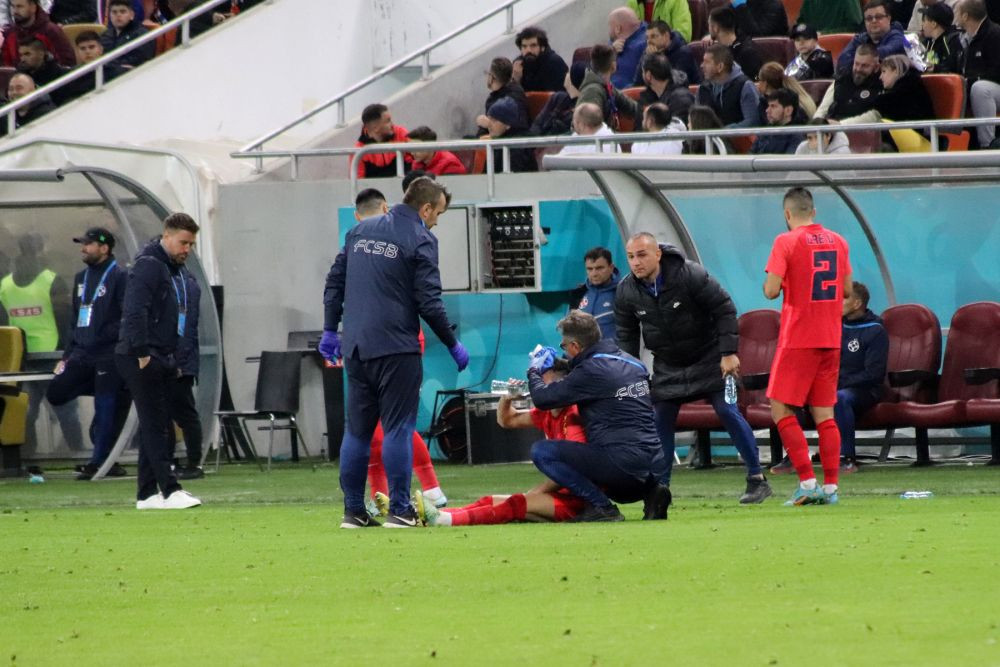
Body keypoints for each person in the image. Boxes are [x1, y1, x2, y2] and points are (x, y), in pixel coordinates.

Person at [322, 177, 468, 529]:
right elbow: (429, 303)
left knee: (357, 433)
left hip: (356, 347)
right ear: (426, 208)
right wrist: (451, 343)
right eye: (438, 214)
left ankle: (353, 512)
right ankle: (401, 510)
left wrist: (330, 328)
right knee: (399, 428)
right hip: (397, 348)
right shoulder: (421, 238)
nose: (436, 222)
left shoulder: (359, 232)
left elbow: (334, 282)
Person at [615, 233, 772, 505]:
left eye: (642, 255)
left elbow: (724, 309)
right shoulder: (626, 290)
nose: (636, 262)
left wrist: (728, 353)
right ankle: (660, 489)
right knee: (659, 418)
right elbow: (626, 334)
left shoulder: (690, 274)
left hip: (711, 359)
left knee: (728, 410)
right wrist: (630, 371)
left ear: (658, 254)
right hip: (668, 365)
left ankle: (757, 478)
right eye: (631, 257)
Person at [352, 186, 449, 513]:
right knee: (379, 427)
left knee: (392, 423)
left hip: (395, 339)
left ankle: (429, 489)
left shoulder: (402, 237)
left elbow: (423, 298)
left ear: (387, 209)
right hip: (369, 340)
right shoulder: (361, 238)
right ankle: (384, 498)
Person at [526, 311, 670, 522]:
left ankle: (601, 507)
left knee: (542, 451)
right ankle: (653, 492)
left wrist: (534, 372)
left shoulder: (590, 371)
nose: (564, 351)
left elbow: (543, 398)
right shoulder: (633, 363)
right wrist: (562, 364)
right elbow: (597, 378)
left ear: (575, 346)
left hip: (621, 473)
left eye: (564, 347)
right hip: (654, 467)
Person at [418, 359, 588, 526]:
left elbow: (572, 471)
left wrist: (535, 493)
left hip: (577, 501)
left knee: (516, 504)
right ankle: (433, 517)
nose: (538, 389)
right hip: (561, 495)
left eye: (544, 383)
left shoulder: (573, 417)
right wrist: (507, 398)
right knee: (489, 500)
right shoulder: (547, 412)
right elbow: (507, 420)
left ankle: (443, 520)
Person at [763, 187, 852, 506]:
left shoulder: (785, 241)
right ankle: (831, 488)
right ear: (813, 211)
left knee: (780, 407)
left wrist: (784, 280)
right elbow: (847, 290)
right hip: (831, 337)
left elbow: (771, 290)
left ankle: (807, 482)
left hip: (799, 336)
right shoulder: (839, 241)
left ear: (788, 214)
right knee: (825, 414)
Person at [115, 213, 203, 510]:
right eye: (183, 242)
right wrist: (142, 353)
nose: (187, 249)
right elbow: (134, 311)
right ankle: (170, 488)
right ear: (166, 236)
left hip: (160, 354)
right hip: (141, 355)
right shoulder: (149, 266)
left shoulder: (171, 268)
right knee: (157, 426)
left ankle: (146, 493)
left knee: (158, 422)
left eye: (191, 244)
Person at [771, 281, 888, 474]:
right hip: (833, 384)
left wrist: (835, 384)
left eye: (842, 299)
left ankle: (846, 457)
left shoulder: (876, 330)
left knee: (840, 398)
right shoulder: (832, 325)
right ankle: (794, 456)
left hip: (865, 390)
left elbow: (873, 374)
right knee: (793, 397)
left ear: (857, 303)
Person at [46, 228, 130, 480]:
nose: (83, 248)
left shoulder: (120, 276)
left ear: (104, 248)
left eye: (88, 244)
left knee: (104, 406)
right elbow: (75, 316)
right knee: (57, 392)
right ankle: (113, 392)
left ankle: (99, 462)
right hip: (82, 353)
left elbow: (126, 316)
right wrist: (68, 353)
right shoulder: (81, 277)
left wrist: (102, 335)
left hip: (107, 353)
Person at [0, 232, 83, 456]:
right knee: (65, 409)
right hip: (52, 352)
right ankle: (78, 453)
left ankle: (26, 455)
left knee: (26, 410)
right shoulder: (51, 279)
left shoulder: (5, 285)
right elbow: (66, 317)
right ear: (40, 250)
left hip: (21, 357)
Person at [167, 262, 203, 480]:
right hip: (172, 358)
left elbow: (185, 327)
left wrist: (178, 361)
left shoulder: (184, 283)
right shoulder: (178, 281)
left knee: (184, 413)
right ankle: (170, 462)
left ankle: (193, 463)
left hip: (178, 361)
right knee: (166, 413)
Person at [836, 53, 935, 125]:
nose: (880, 77)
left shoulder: (906, 89)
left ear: (895, 71)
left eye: (884, 72)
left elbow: (878, 109)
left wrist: (840, 125)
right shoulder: (907, 86)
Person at [957, 0, 1000, 149]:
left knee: (980, 88)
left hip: (995, 88)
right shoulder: (963, 38)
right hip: (968, 86)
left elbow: (997, 71)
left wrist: (972, 80)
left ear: (965, 16)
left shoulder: (995, 34)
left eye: (958, 12)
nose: (955, 16)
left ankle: (987, 145)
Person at [696, 43, 761, 127]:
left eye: (707, 62)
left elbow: (753, 122)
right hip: (710, 139)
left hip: (738, 139)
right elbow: (696, 122)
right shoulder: (703, 88)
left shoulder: (745, 86)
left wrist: (725, 132)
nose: (702, 66)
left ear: (720, 66)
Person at [576, 43, 639, 129]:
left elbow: (630, 107)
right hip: (597, 140)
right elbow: (589, 127)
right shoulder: (593, 91)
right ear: (613, 66)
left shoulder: (607, 87)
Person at [814, 44, 883, 121]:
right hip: (830, 127)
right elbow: (823, 108)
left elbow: (874, 116)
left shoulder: (882, 85)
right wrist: (816, 124)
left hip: (861, 130)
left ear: (876, 67)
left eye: (865, 66)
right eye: (856, 64)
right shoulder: (842, 78)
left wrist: (840, 125)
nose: (858, 69)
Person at [837, 0, 908, 74]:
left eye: (879, 17)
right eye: (869, 18)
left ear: (889, 18)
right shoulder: (860, 38)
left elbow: (887, 52)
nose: (874, 21)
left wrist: (859, 61)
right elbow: (843, 60)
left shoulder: (898, 38)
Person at [568, 247, 620, 342]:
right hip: (584, 355)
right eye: (590, 269)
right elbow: (570, 332)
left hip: (613, 355)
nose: (594, 273)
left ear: (611, 268)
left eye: (599, 268)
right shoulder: (578, 294)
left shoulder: (622, 293)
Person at [1, 0, 75, 67]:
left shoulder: (51, 31)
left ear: (33, 7)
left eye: (20, 6)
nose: (15, 11)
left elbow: (67, 63)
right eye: (12, 6)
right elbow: (6, 66)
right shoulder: (10, 34)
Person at [634, 51, 695, 126]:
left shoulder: (681, 100)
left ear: (648, 75)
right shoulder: (647, 97)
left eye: (642, 72)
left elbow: (677, 133)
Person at [475, 57, 530, 136]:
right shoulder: (517, 90)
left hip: (508, 142)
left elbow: (500, 130)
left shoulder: (503, 101)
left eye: (489, 74)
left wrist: (487, 124)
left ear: (493, 78)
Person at [529, 61, 586, 136]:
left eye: (568, 73)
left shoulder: (584, 106)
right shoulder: (558, 97)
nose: (565, 75)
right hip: (540, 142)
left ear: (575, 78)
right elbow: (538, 123)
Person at [354, 103, 410, 179]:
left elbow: (415, 163)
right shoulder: (358, 150)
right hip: (374, 189)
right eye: (388, 121)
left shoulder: (401, 133)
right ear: (375, 128)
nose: (392, 124)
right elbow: (358, 182)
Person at [707, 6, 764, 81]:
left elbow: (755, 81)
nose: (708, 29)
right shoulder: (717, 49)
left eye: (709, 25)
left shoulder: (747, 52)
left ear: (716, 28)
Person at [483, 96, 537, 172]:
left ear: (508, 125)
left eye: (494, 120)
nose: (489, 124)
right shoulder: (496, 143)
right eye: (489, 119)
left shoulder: (517, 147)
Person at [100, 0, 154, 69]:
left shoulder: (142, 35)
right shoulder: (105, 35)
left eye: (123, 12)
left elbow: (140, 60)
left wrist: (111, 65)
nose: (118, 15)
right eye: (114, 12)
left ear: (132, 15)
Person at [751, 88, 808, 154]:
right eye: (768, 106)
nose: (767, 110)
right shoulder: (766, 132)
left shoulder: (797, 137)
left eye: (773, 106)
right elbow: (750, 155)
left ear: (788, 111)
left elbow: (786, 163)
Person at [512, 26, 567, 92]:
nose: (528, 50)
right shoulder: (518, 64)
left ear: (542, 47)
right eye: (524, 46)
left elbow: (559, 95)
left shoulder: (554, 62)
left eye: (533, 45)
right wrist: (516, 80)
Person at [646, 19, 700, 86]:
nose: (649, 41)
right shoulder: (649, 52)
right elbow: (638, 82)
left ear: (666, 36)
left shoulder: (683, 53)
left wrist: (657, 59)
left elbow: (675, 82)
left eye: (653, 36)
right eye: (647, 37)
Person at [607, 6, 647, 89]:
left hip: (626, 96)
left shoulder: (646, 45)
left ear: (618, 29)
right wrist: (611, 51)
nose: (608, 31)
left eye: (609, 26)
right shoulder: (614, 42)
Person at [921, 3, 963, 73]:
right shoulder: (928, 41)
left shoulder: (951, 41)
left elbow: (952, 69)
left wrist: (935, 68)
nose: (922, 24)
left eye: (924, 20)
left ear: (934, 24)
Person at [627, 0, 692, 42]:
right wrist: (621, 43)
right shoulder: (632, 2)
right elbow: (626, 32)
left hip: (668, 53)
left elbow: (684, 35)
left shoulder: (677, 1)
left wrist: (659, 42)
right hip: (640, 52)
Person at [795, 0, 863, 34]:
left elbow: (856, 28)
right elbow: (801, 23)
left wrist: (823, 34)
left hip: (839, 48)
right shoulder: (809, 2)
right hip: (810, 48)